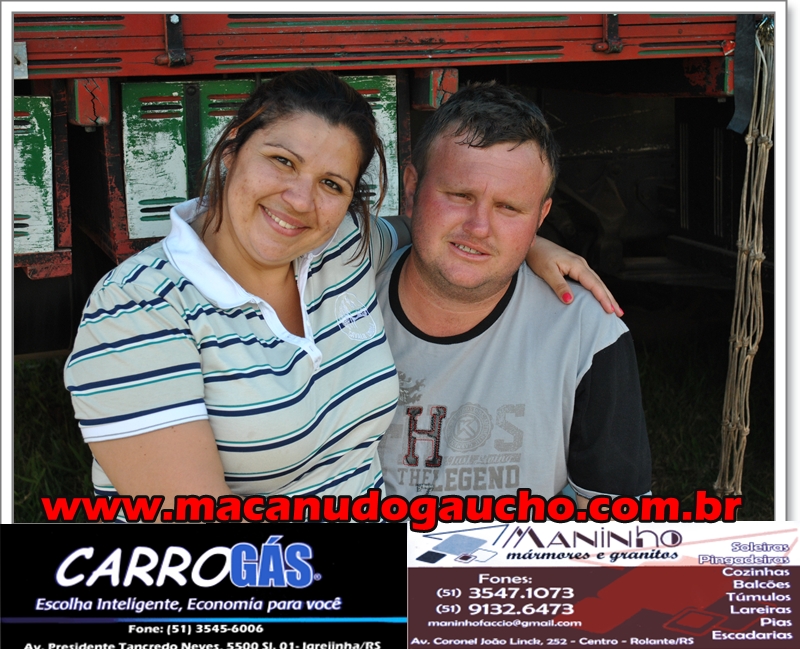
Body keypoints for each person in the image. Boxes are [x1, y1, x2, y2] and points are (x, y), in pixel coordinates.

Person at [63, 69, 620, 514]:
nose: (300, 200)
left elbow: (439, 231)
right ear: (232, 148)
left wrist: (528, 241)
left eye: (331, 184)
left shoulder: (340, 248)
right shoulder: (138, 312)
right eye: (282, 161)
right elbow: (202, 543)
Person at [376, 82, 651, 507]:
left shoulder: (586, 331)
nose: (479, 227)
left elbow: (616, 524)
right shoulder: (342, 301)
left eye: (509, 207)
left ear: (541, 217)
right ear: (411, 189)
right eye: (459, 195)